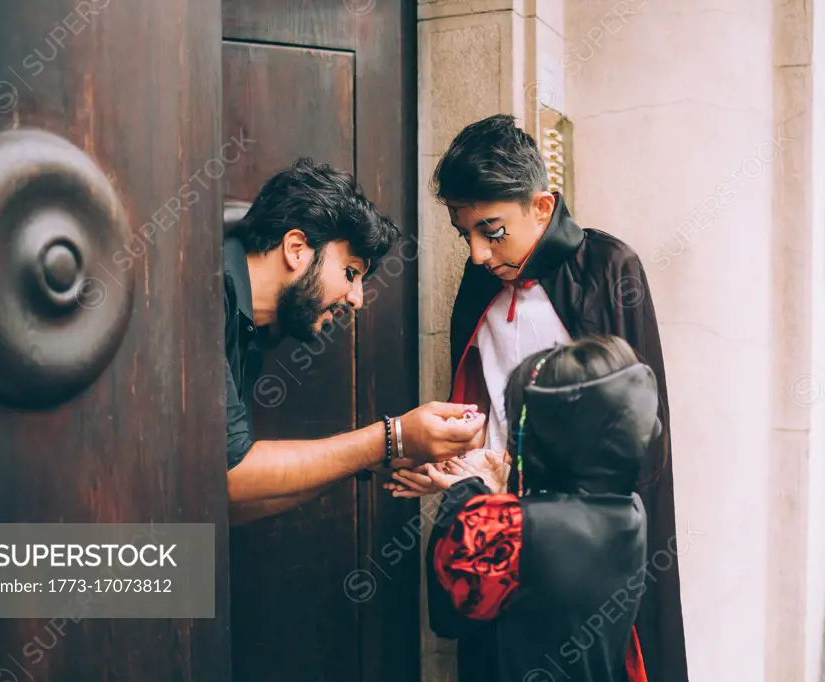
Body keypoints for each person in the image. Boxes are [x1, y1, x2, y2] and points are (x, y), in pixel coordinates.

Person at [386, 115, 687, 682]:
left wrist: (487, 494)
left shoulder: (609, 268)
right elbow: (479, 403)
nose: (477, 254)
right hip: (495, 526)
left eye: (493, 231)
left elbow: (636, 431)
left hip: (577, 545)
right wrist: (452, 463)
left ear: (543, 207)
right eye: (465, 235)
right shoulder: (480, 282)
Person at [224, 157, 485, 524]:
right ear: (296, 248)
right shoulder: (211, 292)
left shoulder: (249, 331)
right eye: (350, 273)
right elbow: (233, 476)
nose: (356, 299)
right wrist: (392, 437)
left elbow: (232, 499)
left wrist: (378, 456)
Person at [425, 336, 657, 682]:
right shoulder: (630, 512)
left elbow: (450, 613)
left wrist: (467, 490)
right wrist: (503, 490)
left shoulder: (512, 529)